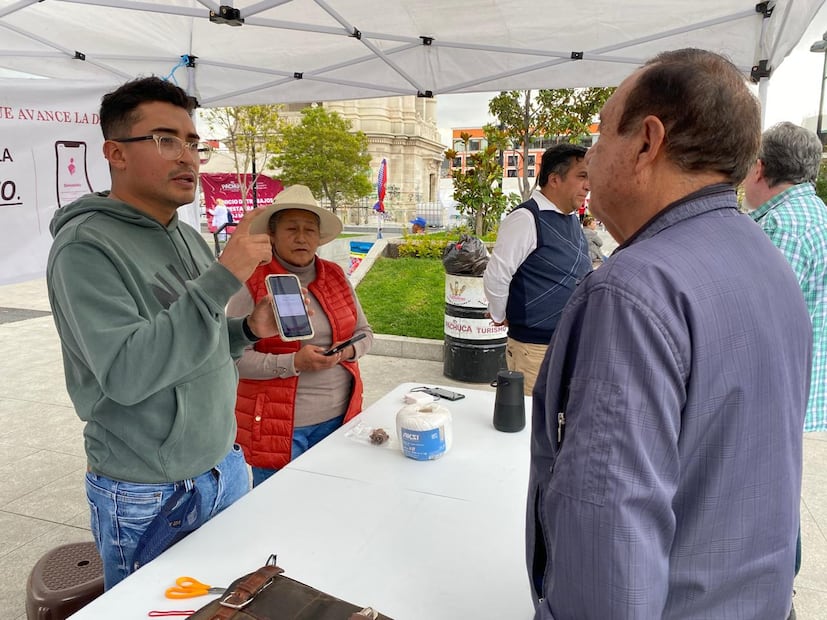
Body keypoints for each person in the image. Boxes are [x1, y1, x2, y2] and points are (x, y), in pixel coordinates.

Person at [526, 49, 812, 619]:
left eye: (603, 133)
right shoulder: (768, 263)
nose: (594, 154)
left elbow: (609, 538)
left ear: (646, 142)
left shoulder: (634, 288)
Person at [46, 76, 279, 589]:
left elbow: (198, 341)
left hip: (224, 466)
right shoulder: (85, 248)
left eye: (193, 142)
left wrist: (244, 330)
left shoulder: (189, 237)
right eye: (165, 139)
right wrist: (222, 278)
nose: (187, 157)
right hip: (148, 489)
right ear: (116, 153)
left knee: (231, 604)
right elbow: (128, 373)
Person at [226, 184, 374, 487]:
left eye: (309, 230)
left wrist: (345, 353)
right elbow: (231, 356)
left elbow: (365, 333)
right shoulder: (252, 281)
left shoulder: (334, 275)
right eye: (291, 228)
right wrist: (293, 362)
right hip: (279, 429)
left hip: (340, 417)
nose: (301, 237)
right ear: (272, 235)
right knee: (279, 511)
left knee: (330, 503)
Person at [743, 121, 827, 614]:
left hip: (771, 391)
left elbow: (761, 325)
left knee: (764, 493)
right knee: (780, 484)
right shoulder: (815, 212)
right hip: (800, 384)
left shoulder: (781, 227)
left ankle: (773, 588)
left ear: (760, 168)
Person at [483, 144, 591, 395]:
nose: (588, 186)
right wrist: (500, 314)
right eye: (582, 176)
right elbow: (497, 275)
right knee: (533, 425)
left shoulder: (571, 219)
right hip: (535, 350)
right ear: (555, 179)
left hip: (569, 345)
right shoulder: (526, 218)